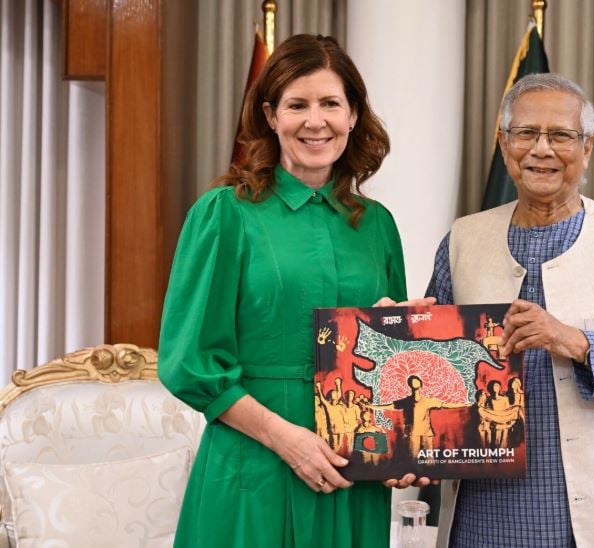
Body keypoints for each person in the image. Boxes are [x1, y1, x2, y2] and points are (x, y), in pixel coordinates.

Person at [158, 34, 429, 548]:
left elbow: (387, 360)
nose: (315, 121)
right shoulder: (224, 214)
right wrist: (285, 439)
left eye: (330, 103)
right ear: (270, 115)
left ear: (353, 115)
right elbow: (188, 362)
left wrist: (400, 439)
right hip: (253, 464)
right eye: (297, 105)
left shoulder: (377, 225)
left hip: (350, 472)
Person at [426, 73, 594, 547]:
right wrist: (397, 327)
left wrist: (573, 340)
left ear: (587, 148)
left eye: (561, 136)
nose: (541, 149)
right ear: (504, 144)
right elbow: (434, 360)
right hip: (483, 515)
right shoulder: (463, 240)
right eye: (526, 133)